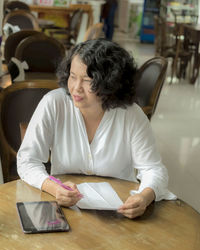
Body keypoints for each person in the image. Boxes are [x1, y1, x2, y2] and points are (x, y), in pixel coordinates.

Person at [17, 38, 176, 219]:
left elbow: (154, 169)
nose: (76, 88)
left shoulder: (131, 115)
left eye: (87, 80)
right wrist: (53, 187)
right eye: (72, 76)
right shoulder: (54, 103)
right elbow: (27, 161)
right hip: (66, 209)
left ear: (110, 82)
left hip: (120, 212)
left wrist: (144, 197)